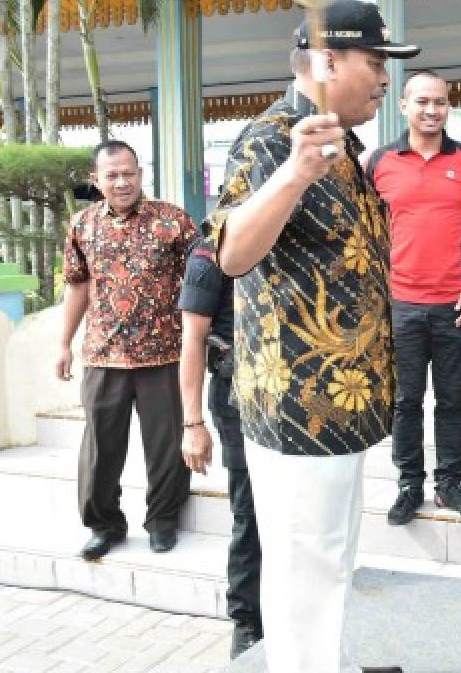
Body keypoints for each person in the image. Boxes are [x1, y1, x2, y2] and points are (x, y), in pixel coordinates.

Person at [208, 0, 416, 673]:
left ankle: (323, 661)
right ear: (329, 62)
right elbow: (233, 252)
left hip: (343, 402)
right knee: (305, 569)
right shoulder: (271, 140)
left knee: (331, 559)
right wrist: (296, 171)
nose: (386, 79)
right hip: (300, 403)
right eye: (376, 62)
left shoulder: (344, 146)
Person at [57, 140, 196, 561]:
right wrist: (63, 343)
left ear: (140, 174)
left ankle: (163, 520)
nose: (122, 182)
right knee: (100, 447)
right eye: (112, 175)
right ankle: (104, 524)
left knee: (166, 445)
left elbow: (201, 281)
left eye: (128, 173)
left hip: (165, 354)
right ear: (96, 181)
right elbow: (77, 284)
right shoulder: (81, 225)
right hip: (103, 354)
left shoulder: (174, 221)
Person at [369, 71, 461, 525]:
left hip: (454, 303)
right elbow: (367, 232)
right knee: (405, 401)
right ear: (403, 106)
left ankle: (450, 483)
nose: (432, 110)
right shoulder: (379, 162)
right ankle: (408, 484)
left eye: (440, 102)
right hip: (399, 303)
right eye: (422, 101)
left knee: (453, 398)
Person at [178, 238, 263, 659]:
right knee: (250, 512)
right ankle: (247, 621)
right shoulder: (209, 251)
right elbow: (192, 340)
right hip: (237, 397)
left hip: (295, 398)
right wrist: (192, 423)